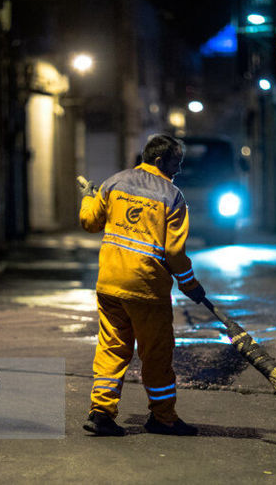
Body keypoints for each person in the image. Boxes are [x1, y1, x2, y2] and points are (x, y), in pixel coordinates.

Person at [78, 134, 206, 437]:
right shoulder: (172, 196)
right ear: (160, 160)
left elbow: (90, 222)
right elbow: (174, 252)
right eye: (176, 162)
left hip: (109, 285)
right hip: (146, 288)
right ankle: (163, 418)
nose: (179, 169)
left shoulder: (114, 182)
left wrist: (87, 196)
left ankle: (101, 414)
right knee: (157, 354)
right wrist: (191, 285)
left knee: (112, 349)